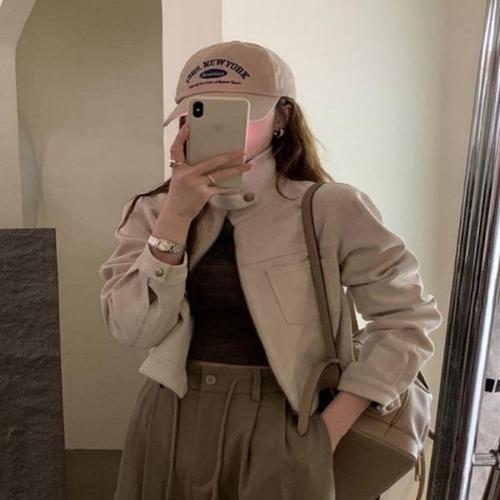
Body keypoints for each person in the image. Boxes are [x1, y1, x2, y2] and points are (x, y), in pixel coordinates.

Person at [98, 40, 443, 500]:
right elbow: (132, 330)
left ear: (282, 116)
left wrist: (330, 428)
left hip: (288, 420)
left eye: (241, 112)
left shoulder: (330, 208)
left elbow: (407, 318)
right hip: (171, 420)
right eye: (200, 111)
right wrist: (176, 217)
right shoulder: (153, 211)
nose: (218, 126)